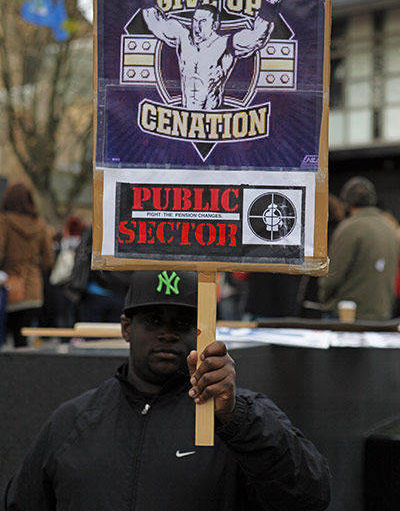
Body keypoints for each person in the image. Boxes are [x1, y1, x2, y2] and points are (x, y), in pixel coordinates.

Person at [5, 269, 331, 510]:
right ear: (126, 328)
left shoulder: (238, 418)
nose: (167, 334)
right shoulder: (74, 422)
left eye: (182, 323)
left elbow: (310, 495)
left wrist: (239, 419)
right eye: (153, 320)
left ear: (204, 331)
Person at [130, 0, 293, 110]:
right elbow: (156, 25)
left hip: (211, 117)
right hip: (184, 116)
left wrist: (269, 6)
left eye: (202, 22)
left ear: (214, 25)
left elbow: (256, 37)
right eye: (194, 21)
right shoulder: (183, 37)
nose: (196, 26)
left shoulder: (225, 45)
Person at [319, 177, 399, 321]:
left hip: (348, 316)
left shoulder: (349, 228)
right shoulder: (389, 228)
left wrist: (323, 295)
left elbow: (333, 275)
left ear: (347, 202)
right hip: (382, 314)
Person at [0, 182, 54, 347]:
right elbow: (48, 259)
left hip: (9, 288)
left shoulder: (4, 222)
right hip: (33, 290)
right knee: (23, 342)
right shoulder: (40, 224)